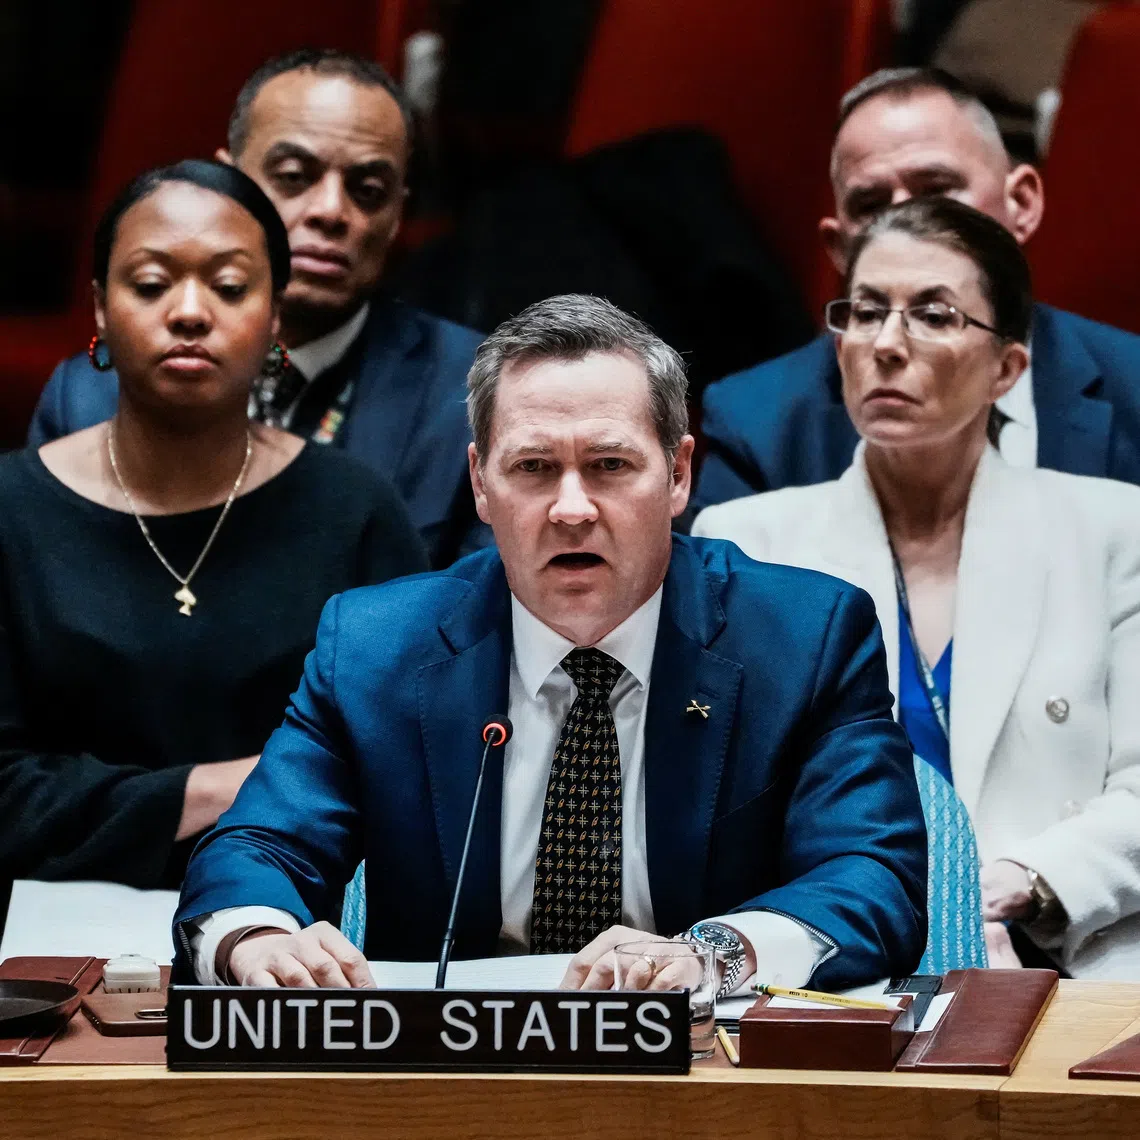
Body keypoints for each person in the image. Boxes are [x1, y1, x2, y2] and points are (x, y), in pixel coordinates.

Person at [174, 293, 927, 993]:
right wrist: (256, 938)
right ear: (479, 482)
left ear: (678, 474)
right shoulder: (376, 648)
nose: (571, 509)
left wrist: (713, 954)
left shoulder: (804, 639)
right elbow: (259, 846)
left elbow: (871, 875)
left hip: (705, 1081)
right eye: (534, 468)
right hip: (455, 1083)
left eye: (609, 466)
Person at [694, 197, 1140, 980]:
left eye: (934, 315)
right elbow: (724, 813)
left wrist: (1013, 887)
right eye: (864, 313)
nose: (887, 345)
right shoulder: (745, 542)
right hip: (837, 967)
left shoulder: (1112, 531)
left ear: (1007, 367)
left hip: (1066, 952)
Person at [0, 161, 428, 927]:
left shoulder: (355, 510)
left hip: (299, 943)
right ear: (99, 306)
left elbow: (413, 766)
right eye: (151, 282)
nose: (190, 312)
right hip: (34, 946)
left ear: (274, 321)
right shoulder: (10, 510)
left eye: (230, 287)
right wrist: (225, 788)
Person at [29, 49, 486, 568]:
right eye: (293, 176)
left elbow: (483, 626)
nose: (332, 211)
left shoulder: (473, 392)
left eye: (369, 191)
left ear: (399, 210)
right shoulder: (86, 399)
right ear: (226, 183)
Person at [693, 67, 1140, 513]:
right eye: (871, 205)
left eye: (937, 191)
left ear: (1020, 203)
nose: (907, 226)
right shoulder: (757, 421)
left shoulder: (1133, 386)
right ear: (838, 248)